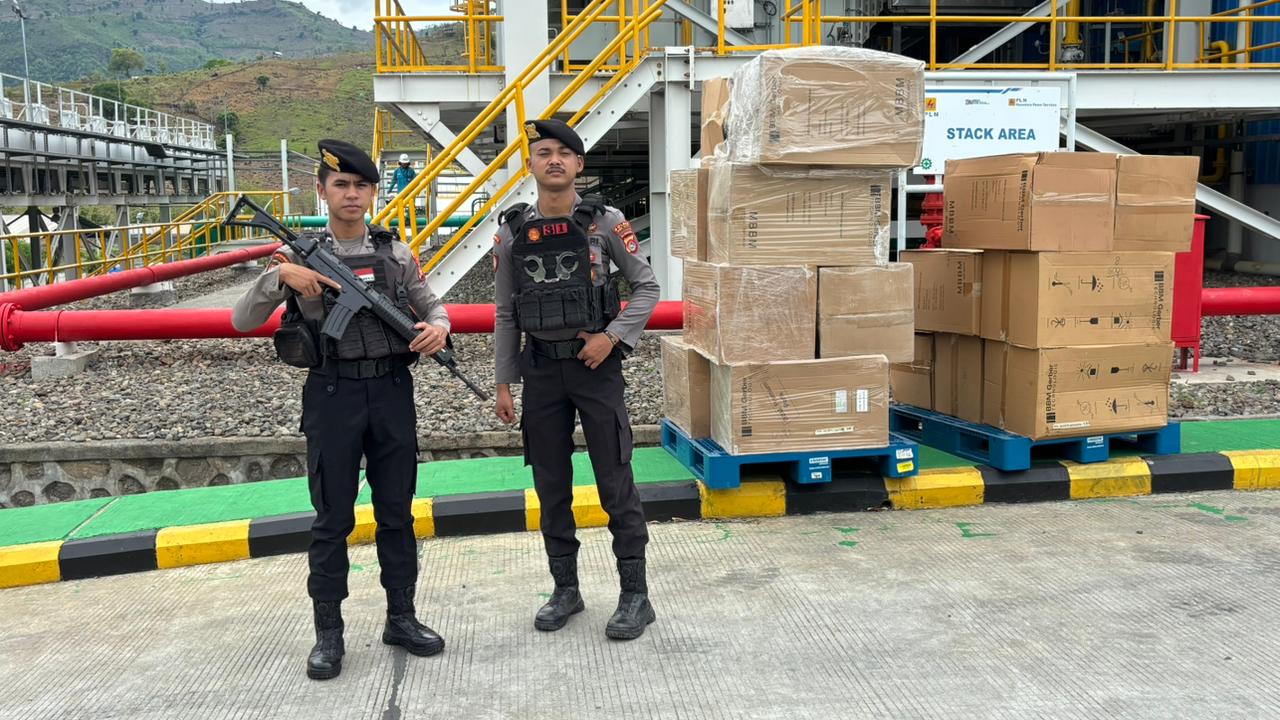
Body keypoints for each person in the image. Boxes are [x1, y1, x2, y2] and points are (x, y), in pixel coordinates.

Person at [231, 139, 449, 680]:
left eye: (361, 186)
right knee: (332, 518)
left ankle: (402, 617)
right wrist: (279, 278)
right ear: (322, 190)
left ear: (373, 193)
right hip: (332, 395)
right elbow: (241, 319)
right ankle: (329, 633)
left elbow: (432, 304)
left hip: (392, 392)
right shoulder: (294, 256)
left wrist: (439, 328)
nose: (352, 194)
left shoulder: (396, 254)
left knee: (397, 512)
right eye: (341, 185)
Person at [491, 119, 661, 640]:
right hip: (541, 371)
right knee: (551, 485)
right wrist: (504, 381)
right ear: (531, 164)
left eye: (564, 153)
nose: (554, 160)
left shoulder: (605, 222)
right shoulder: (512, 231)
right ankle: (566, 589)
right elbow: (506, 311)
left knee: (615, 479)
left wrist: (612, 337)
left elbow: (647, 287)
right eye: (544, 152)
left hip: (596, 369)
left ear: (579, 165)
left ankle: (635, 596)